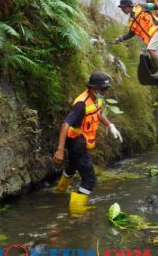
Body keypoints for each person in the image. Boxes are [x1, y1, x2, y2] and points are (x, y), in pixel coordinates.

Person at [52, 72, 123, 216]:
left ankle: (59, 192)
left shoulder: (97, 98)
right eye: (102, 90)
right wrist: (60, 150)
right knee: (89, 180)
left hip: (80, 141)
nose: (104, 92)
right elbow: (65, 124)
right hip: (77, 142)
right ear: (93, 88)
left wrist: (110, 125)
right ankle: (76, 213)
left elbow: (98, 112)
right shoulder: (81, 104)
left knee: (72, 166)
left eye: (106, 90)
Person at [114, 0, 158, 78]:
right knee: (151, 56)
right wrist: (120, 39)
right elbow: (131, 34)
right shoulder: (131, 20)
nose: (122, 10)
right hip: (154, 36)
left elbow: (155, 6)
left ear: (128, 6)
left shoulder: (141, 6)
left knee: (151, 49)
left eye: (123, 8)